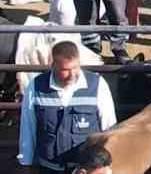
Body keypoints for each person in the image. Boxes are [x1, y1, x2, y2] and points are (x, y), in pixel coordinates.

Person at [17, 41, 118, 171]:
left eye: (75, 67)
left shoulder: (98, 85)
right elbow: (28, 127)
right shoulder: (35, 87)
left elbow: (109, 127)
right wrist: (25, 162)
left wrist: (106, 165)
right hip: (48, 167)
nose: (72, 74)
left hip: (85, 168)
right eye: (65, 70)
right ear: (53, 65)